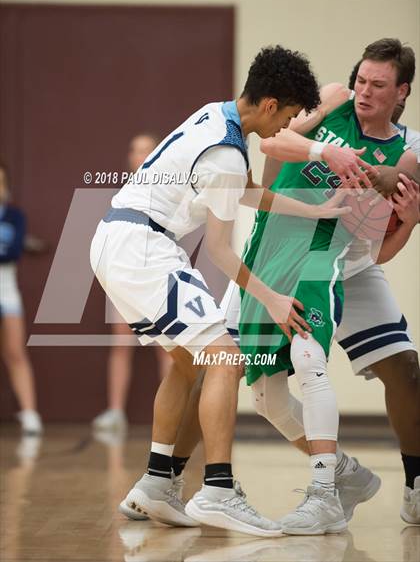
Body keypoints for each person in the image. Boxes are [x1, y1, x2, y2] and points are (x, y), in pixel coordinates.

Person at [90, 45, 372, 536]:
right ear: (269, 105)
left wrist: (317, 211)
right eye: (286, 115)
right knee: (225, 355)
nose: (285, 125)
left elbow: (247, 192)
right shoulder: (225, 151)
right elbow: (221, 251)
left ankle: (156, 484)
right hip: (142, 246)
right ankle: (219, 490)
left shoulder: (216, 117)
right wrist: (274, 298)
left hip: (120, 240)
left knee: (188, 360)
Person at [236, 37, 418, 532]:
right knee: (260, 393)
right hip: (277, 247)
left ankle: (350, 492)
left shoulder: (411, 147)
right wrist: (326, 152)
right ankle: (344, 475)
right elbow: (274, 142)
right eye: (362, 79)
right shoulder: (334, 97)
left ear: (401, 92)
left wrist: (399, 198)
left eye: (378, 86)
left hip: (335, 259)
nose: (364, 92)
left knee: (351, 362)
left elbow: (391, 213)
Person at [93, 133, 173, 432]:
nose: (140, 155)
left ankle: (169, 415)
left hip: (155, 277)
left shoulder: (167, 190)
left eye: (146, 150)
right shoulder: (121, 194)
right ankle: (115, 412)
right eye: (135, 149)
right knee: (121, 344)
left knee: (166, 348)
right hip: (122, 277)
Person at [0, 163, 43, 435]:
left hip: (6, 290)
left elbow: (13, 251)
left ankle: (29, 415)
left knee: (15, 352)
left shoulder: (14, 216)